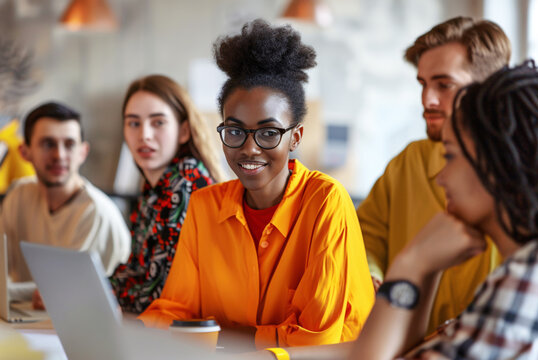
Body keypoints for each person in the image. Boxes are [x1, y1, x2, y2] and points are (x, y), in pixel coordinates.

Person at [138, 19, 374, 350]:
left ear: (295, 137)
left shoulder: (326, 201)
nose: (249, 148)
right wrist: (126, 331)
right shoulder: (204, 206)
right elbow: (175, 310)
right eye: (234, 131)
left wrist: (221, 335)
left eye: (268, 132)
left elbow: (317, 339)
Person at [351, 60, 538, 360]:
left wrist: (410, 265)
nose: (442, 177)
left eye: (450, 156)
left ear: (499, 163)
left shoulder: (524, 285)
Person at [356, 16, 511, 334]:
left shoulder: (522, 179)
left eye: (444, 85)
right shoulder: (408, 161)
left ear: (489, 88)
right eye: (423, 84)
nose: (427, 100)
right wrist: (372, 277)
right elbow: (365, 236)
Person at [109, 75, 226, 314]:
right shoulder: (154, 186)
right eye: (133, 123)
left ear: (183, 131)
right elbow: (138, 270)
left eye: (158, 122)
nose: (144, 135)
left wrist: (96, 298)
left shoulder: (185, 181)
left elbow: (160, 292)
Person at [0, 101, 130, 307]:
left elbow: (62, 291)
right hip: (30, 320)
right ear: (25, 152)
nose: (59, 155)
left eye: (69, 144)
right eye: (48, 144)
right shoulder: (18, 196)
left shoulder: (95, 212)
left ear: (83, 152)